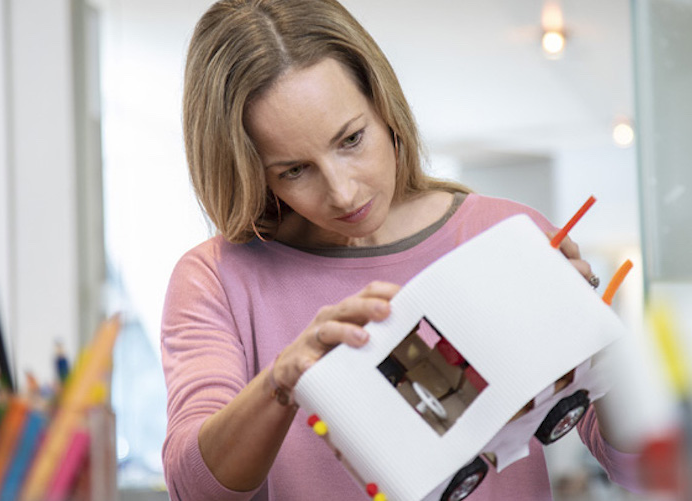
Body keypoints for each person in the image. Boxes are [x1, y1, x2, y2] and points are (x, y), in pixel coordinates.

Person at [161, 0, 639, 499]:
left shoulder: (506, 234)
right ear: (249, 169)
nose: (343, 193)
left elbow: (640, 467)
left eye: (351, 139)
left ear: (384, 107)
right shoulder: (216, 278)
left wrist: (601, 340)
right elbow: (194, 490)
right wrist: (280, 381)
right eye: (293, 170)